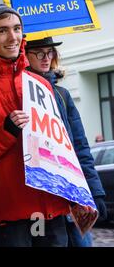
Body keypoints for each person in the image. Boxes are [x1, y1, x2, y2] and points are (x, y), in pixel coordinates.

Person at [0, 4, 71, 247]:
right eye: (2, 31)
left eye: (17, 29)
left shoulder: (40, 83)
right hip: (9, 215)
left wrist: (79, 192)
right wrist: (5, 132)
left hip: (52, 206)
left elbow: (63, 143)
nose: (13, 37)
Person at [25, 36, 107, 247]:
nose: (46, 58)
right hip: (42, 197)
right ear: (25, 56)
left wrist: (95, 191)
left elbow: (80, 146)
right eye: (39, 53)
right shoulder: (22, 94)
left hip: (74, 193)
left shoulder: (62, 94)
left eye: (50, 52)